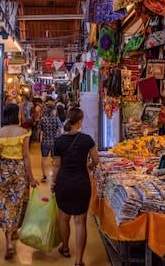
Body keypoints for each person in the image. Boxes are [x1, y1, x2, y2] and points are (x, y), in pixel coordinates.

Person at [52, 108, 100, 266]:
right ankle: (79, 261)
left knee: (64, 219)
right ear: (79, 121)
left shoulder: (58, 141)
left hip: (63, 183)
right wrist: (89, 165)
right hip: (81, 183)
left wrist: (53, 183)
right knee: (80, 222)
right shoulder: (87, 140)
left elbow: (57, 166)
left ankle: (65, 248)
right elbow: (96, 160)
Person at [0, 104, 38, 259]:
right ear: (16, 115)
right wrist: (31, 177)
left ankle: (8, 241)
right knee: (18, 203)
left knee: (5, 204)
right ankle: (14, 232)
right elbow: (26, 156)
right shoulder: (23, 132)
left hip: (4, 171)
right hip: (19, 171)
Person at [38, 106, 63, 182]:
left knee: (44, 158)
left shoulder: (42, 119)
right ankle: (55, 176)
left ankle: (44, 176)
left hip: (45, 142)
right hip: (55, 142)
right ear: (52, 111)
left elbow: (39, 131)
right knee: (55, 160)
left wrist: (39, 139)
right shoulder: (56, 119)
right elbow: (60, 131)